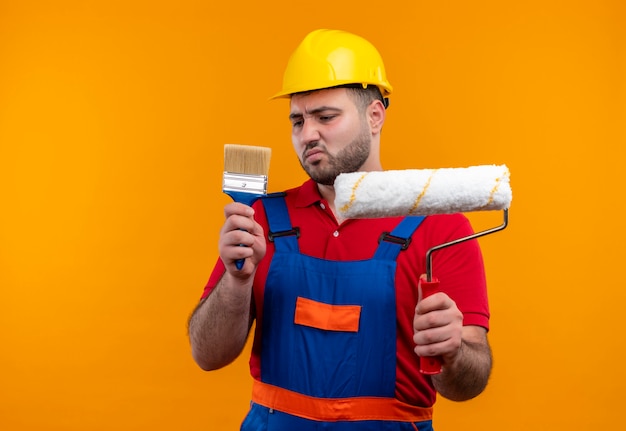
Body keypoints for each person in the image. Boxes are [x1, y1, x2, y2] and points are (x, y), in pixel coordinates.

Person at [188, 29, 492, 431]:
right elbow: (207, 355)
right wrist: (237, 280)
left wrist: (453, 352)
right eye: (297, 120)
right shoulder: (260, 219)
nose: (307, 133)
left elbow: (468, 383)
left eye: (325, 116)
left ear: (375, 116)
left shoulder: (440, 227)